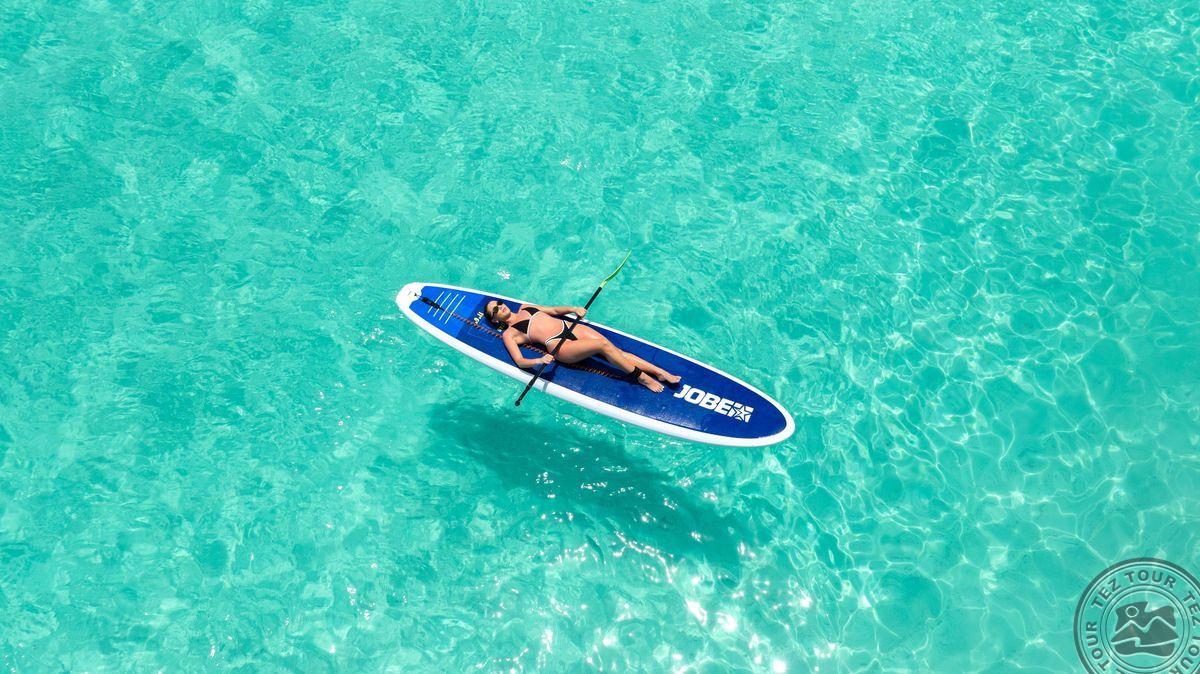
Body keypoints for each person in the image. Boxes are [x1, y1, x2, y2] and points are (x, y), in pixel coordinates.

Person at [484, 300, 680, 393]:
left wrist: (573, 309)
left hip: (570, 327)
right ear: (494, 320)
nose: (500, 306)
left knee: (617, 352)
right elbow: (519, 361)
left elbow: (554, 310)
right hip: (559, 345)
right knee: (603, 345)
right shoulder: (509, 334)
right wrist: (539, 359)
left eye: (499, 303)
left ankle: (660, 372)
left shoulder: (525, 307)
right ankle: (642, 378)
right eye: (495, 309)